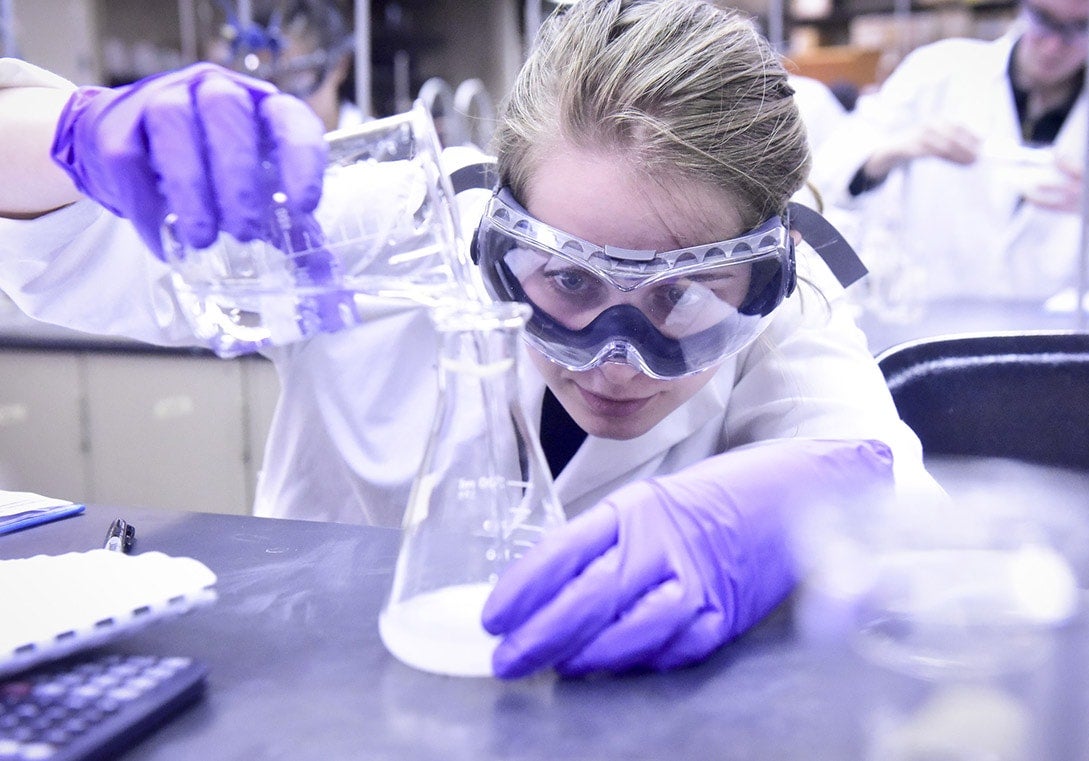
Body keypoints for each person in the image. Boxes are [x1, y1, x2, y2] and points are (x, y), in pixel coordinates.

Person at [0, 0, 945, 677]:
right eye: (567, 279)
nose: (617, 356)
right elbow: (70, 255)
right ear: (497, 228)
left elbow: (916, 529)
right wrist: (73, 134)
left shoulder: (789, 304)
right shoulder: (391, 227)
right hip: (321, 685)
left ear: (764, 272)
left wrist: (811, 505)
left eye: (683, 296)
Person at [812, 0, 1089, 301]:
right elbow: (826, 179)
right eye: (1043, 19)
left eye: (1079, 28)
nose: (1053, 45)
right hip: (931, 319)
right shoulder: (936, 71)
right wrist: (898, 149)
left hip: (1056, 332)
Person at [207, 0, 361, 132]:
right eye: (261, 81)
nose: (276, 104)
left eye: (291, 78)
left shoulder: (371, 143)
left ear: (340, 65)